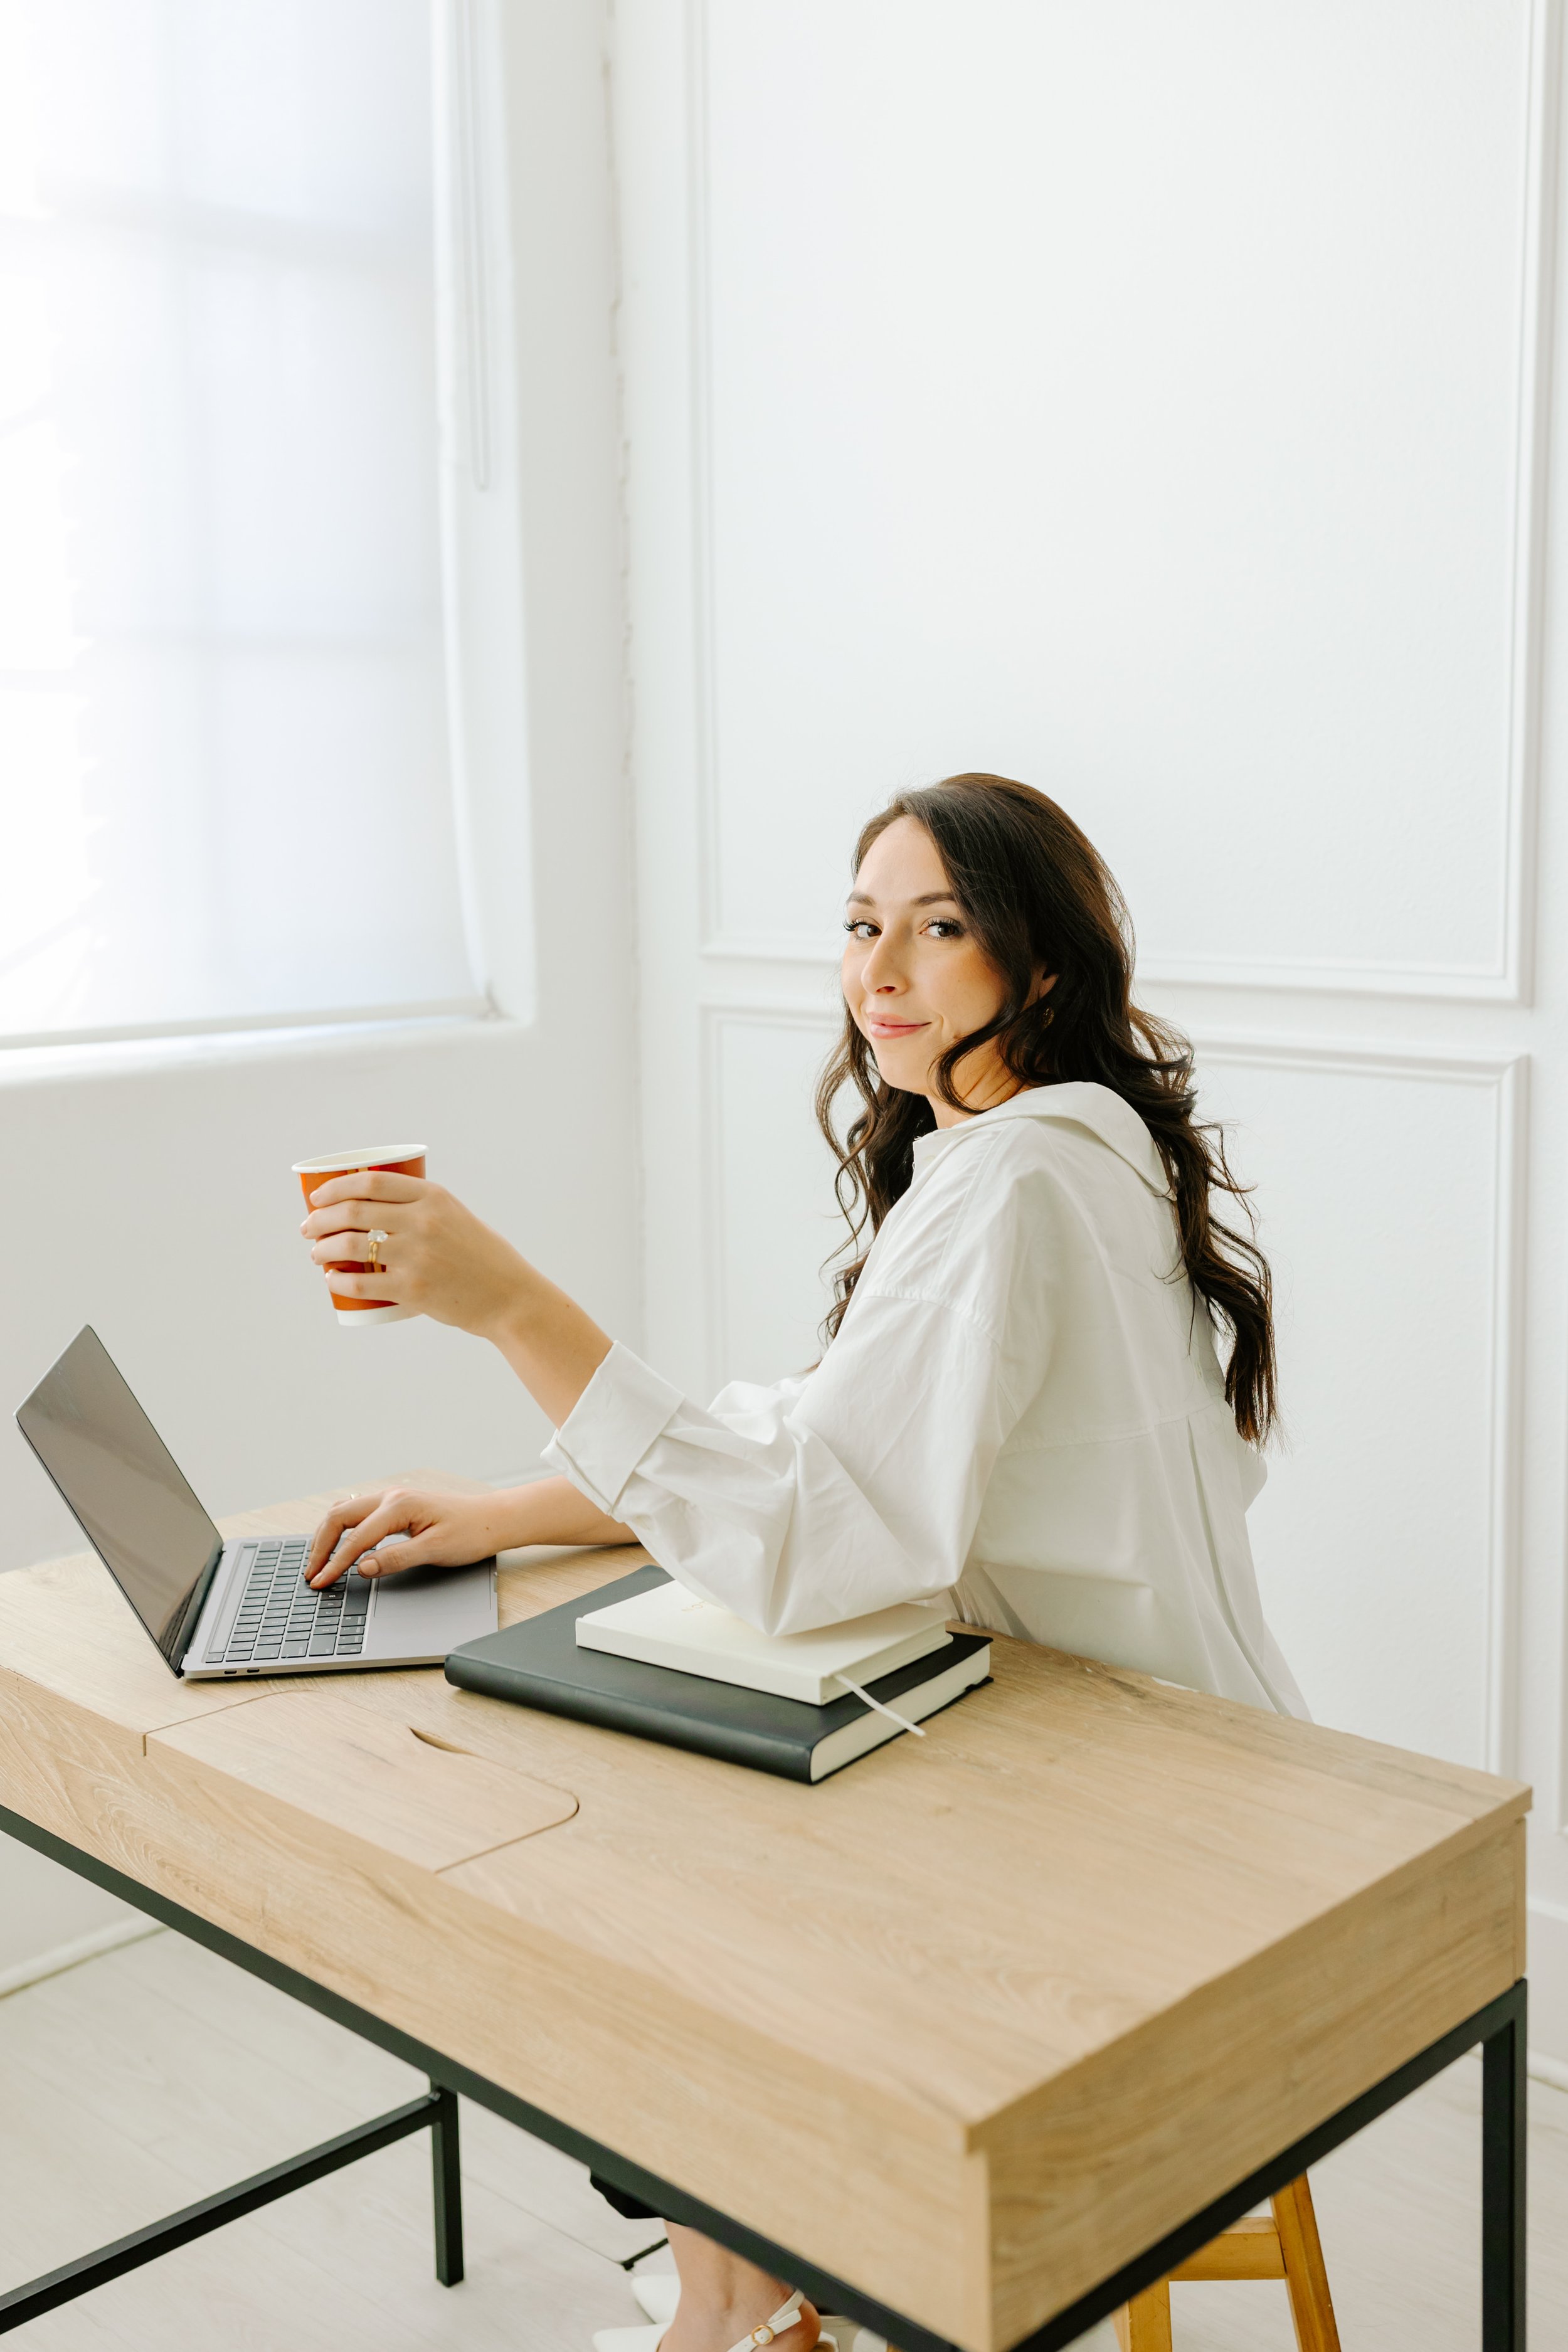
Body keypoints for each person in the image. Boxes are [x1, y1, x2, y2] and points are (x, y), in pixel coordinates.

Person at [298, 773, 1305, 2352]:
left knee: (633, 1898)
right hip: (1141, 1755)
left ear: (1034, 965)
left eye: (937, 927)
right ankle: (743, 2298)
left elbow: (817, 1533)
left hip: (1124, 1835)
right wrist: (511, 1509)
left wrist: (511, 1309)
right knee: (659, 1846)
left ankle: (739, 2306)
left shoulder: (1015, 1177)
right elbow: (822, 1439)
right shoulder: (1070, 1142)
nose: (879, 973)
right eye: (857, 927)